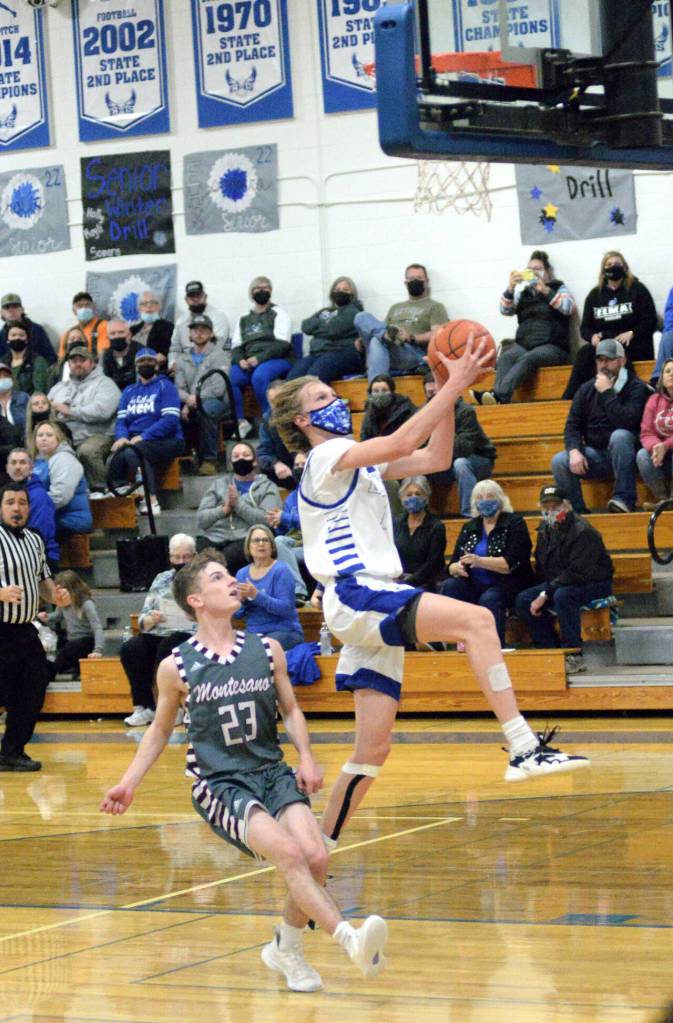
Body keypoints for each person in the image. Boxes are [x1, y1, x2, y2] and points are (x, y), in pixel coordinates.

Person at [270, 350, 589, 853]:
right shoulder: (326, 456)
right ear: (303, 419)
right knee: (478, 621)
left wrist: (451, 392)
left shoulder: (355, 462)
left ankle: (320, 847)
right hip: (359, 591)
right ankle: (523, 746)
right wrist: (454, 381)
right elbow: (399, 439)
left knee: (372, 750)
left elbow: (435, 460)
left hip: (364, 602)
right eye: (324, 398)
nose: (337, 401)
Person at [101, 549, 389, 991]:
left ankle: (285, 949)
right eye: (218, 578)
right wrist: (128, 782)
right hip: (219, 782)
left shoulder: (266, 648)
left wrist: (308, 757)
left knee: (315, 857)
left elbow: (290, 709)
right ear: (196, 599)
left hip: (270, 770)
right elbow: (160, 731)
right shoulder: (175, 664)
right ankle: (349, 939)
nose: (231, 581)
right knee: (289, 854)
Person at [0, 482, 68, 771]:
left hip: (24, 629)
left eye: (22, 503)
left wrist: (56, 596)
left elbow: (43, 581)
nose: (17, 508)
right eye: (10, 502)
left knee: (34, 686)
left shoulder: (34, 540)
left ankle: (12, 752)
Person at [515, 484, 614, 675]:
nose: (551, 511)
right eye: (547, 507)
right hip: (559, 581)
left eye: (555, 506)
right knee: (523, 599)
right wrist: (542, 590)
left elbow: (578, 572)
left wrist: (545, 594)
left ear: (566, 506)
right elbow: (544, 565)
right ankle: (550, 649)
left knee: (563, 596)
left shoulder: (583, 531)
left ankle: (574, 654)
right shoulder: (545, 528)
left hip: (594, 582)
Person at [551, 338, 650, 513]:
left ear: (622, 360)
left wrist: (607, 393)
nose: (604, 365)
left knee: (620, 435)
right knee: (559, 461)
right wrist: (574, 450)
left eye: (609, 360)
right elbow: (572, 426)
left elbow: (627, 421)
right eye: (600, 360)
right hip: (598, 454)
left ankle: (624, 499)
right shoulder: (586, 390)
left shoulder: (636, 387)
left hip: (629, 454)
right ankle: (577, 514)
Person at [471, 250, 575, 405]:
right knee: (506, 356)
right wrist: (511, 287)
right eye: (530, 269)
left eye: (538, 269)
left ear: (547, 272)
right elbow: (505, 310)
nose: (533, 273)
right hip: (525, 345)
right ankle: (498, 397)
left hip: (553, 347)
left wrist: (545, 290)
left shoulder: (558, 288)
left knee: (529, 358)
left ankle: (498, 395)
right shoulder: (523, 294)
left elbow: (568, 308)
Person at [441, 479, 533, 646]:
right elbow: (453, 562)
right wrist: (456, 567)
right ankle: (457, 641)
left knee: (489, 598)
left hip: (506, 584)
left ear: (500, 499)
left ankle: (491, 647)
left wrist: (480, 561)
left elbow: (510, 564)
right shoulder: (470, 526)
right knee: (450, 586)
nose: (484, 501)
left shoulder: (514, 523)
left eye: (490, 496)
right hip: (474, 583)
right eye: (480, 497)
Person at [120, 533, 197, 728]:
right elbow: (143, 618)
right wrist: (150, 619)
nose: (181, 562)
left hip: (190, 633)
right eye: (176, 557)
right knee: (132, 648)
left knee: (167, 647)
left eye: (186, 557)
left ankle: (173, 708)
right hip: (160, 629)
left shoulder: (203, 578)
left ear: (194, 556)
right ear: (170, 558)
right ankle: (145, 706)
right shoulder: (161, 578)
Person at [562, 251, 657, 400]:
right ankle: (569, 399)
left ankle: (627, 397)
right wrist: (591, 336)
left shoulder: (638, 289)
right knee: (584, 353)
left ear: (625, 268)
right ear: (603, 270)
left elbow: (650, 320)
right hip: (604, 343)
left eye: (617, 264)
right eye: (609, 264)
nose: (613, 267)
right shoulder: (594, 295)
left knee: (617, 355)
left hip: (630, 342)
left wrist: (632, 332)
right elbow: (585, 327)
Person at [107, 348, 185, 518]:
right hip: (136, 441)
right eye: (142, 362)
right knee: (116, 455)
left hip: (168, 439)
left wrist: (143, 436)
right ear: (136, 366)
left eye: (150, 361)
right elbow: (121, 420)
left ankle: (152, 499)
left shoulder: (166, 386)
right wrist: (121, 437)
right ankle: (126, 499)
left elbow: (170, 420)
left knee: (137, 450)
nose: (146, 364)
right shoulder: (128, 391)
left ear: (156, 364)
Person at [196, 441, 283, 574]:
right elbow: (201, 520)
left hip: (245, 538)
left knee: (220, 563)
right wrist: (223, 510)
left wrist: (238, 505)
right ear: (231, 464)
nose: (241, 459)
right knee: (196, 561)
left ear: (254, 461)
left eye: (245, 455)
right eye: (236, 457)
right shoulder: (219, 484)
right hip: (214, 537)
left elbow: (268, 520)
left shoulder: (267, 486)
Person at [354, 263, 448, 382]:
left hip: (410, 352)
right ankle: (385, 336)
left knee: (376, 340)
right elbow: (381, 328)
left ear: (426, 281)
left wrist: (411, 337)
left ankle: (375, 390)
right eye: (411, 279)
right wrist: (363, 340)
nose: (415, 281)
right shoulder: (395, 307)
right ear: (405, 283)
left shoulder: (435, 306)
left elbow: (438, 334)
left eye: (419, 279)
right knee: (361, 316)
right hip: (386, 351)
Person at [48, 343, 121, 497]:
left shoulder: (105, 383)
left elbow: (103, 411)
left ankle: (103, 490)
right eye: (74, 361)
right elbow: (46, 406)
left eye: (82, 360)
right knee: (43, 450)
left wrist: (71, 411)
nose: (78, 364)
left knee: (87, 452)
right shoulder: (59, 387)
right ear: (69, 364)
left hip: (98, 434)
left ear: (92, 362)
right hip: (65, 436)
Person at [423, 373, 496, 517]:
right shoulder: (422, 413)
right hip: (442, 461)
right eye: (429, 393)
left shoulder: (464, 411)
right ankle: (420, 515)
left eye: (436, 393)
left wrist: (436, 445)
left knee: (461, 463)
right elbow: (419, 446)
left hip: (477, 458)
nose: (433, 397)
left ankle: (470, 514)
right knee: (415, 465)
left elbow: (463, 448)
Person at [230, 276, 293, 438]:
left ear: (271, 292)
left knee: (259, 376)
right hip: (249, 360)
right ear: (251, 293)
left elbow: (282, 344)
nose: (262, 291)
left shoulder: (279, 313)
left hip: (277, 359)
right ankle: (241, 423)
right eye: (258, 288)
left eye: (266, 288)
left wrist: (259, 359)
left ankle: (269, 420)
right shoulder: (243, 318)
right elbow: (236, 346)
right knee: (233, 377)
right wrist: (240, 360)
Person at [174, 314, 231, 475]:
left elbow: (218, 388)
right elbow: (178, 387)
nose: (199, 333)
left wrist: (194, 400)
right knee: (172, 412)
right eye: (195, 330)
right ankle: (185, 457)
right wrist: (188, 401)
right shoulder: (182, 359)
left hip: (218, 401)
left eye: (204, 330)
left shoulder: (220, 355)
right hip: (191, 401)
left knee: (206, 410)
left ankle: (209, 459)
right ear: (189, 334)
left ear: (211, 333)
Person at [236, 525, 304, 650]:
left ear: (272, 545)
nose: (261, 544)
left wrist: (257, 596)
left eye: (265, 540)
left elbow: (286, 608)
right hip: (254, 632)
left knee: (259, 649)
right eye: (256, 540)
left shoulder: (281, 570)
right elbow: (238, 614)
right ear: (248, 546)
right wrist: (241, 602)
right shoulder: (242, 574)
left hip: (283, 630)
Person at [288, 277, 364, 382]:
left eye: (345, 290)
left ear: (353, 294)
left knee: (313, 378)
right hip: (317, 354)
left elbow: (334, 329)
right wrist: (325, 325)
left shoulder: (354, 311)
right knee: (293, 379)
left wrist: (317, 327)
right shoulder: (325, 311)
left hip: (342, 353)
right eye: (337, 290)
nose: (340, 292)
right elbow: (305, 326)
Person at [30, 421, 93, 536]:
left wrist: (30, 508)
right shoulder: (38, 462)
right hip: (50, 517)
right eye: (40, 435)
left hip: (71, 519)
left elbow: (60, 496)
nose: (44, 439)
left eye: (49, 435)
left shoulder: (65, 460)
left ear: (59, 439)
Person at [38, 570, 104, 680]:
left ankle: (52, 670)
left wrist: (98, 650)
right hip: (72, 640)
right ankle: (71, 666)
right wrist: (48, 617)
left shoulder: (86, 604)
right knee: (60, 643)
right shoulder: (62, 602)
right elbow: (58, 615)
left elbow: (97, 628)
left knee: (71, 648)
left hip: (85, 641)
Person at [5, 448, 59, 570]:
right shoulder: (6, 495)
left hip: (41, 559)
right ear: (7, 468)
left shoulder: (39, 497)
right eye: (13, 463)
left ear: (31, 467)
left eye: (22, 463)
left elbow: (38, 537)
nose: (17, 467)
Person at [392, 476, 447, 592]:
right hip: (398, 579)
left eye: (418, 494)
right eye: (409, 494)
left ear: (426, 497)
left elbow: (432, 564)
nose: (413, 498)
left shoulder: (436, 527)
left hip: (425, 582)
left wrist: (408, 582)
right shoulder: (396, 523)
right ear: (402, 498)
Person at [169, 280, 230, 369]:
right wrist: (173, 363)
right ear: (186, 300)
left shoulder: (218, 316)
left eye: (199, 295)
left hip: (211, 362)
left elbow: (217, 345)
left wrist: (189, 364)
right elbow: (175, 348)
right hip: (185, 365)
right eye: (192, 296)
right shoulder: (181, 321)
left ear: (205, 297)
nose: (195, 299)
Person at [637, 358, 673, 509]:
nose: (671, 374)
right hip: (661, 455)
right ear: (662, 377)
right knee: (642, 455)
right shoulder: (653, 400)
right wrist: (656, 446)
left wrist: (665, 445)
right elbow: (646, 432)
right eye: (668, 371)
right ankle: (664, 500)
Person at [257, 379, 296, 489]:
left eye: (280, 401)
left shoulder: (304, 413)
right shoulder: (267, 420)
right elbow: (263, 453)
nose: (276, 406)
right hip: (284, 473)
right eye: (272, 402)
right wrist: (275, 463)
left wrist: (303, 455)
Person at [0, 293, 56, 365]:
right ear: (1, 312)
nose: (11, 310)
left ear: (22, 309)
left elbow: (51, 357)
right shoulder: (1, 336)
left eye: (15, 306)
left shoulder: (37, 330)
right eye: (7, 307)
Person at [360, 375, 417, 441]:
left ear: (392, 392)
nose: (380, 394)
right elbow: (364, 438)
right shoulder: (369, 410)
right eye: (376, 391)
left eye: (384, 390)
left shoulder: (406, 409)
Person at [1, 321, 49, 396]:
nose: (17, 337)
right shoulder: (2, 361)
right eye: (13, 335)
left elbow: (40, 391)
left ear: (27, 340)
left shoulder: (37, 361)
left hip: (28, 404)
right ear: (7, 340)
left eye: (21, 335)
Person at [58, 292, 109, 359]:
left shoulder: (104, 326)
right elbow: (61, 360)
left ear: (93, 308)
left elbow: (103, 356)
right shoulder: (67, 335)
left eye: (87, 305)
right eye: (79, 306)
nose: (84, 308)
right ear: (73, 310)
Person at [130, 291, 174, 368]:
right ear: (139, 308)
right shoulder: (133, 329)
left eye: (153, 303)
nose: (149, 306)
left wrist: (141, 366)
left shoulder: (167, 327)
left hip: (151, 370)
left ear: (159, 306)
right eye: (144, 304)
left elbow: (163, 355)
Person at [101, 320, 142, 392]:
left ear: (129, 335)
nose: (117, 336)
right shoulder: (105, 355)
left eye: (121, 332)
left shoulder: (140, 352)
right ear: (107, 337)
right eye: (112, 333)